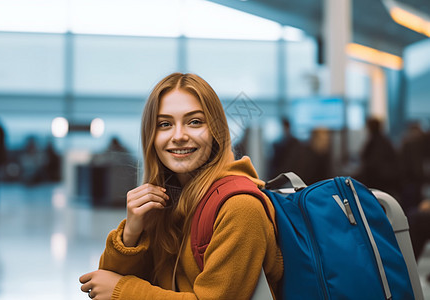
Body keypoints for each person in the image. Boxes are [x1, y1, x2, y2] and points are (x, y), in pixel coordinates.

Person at [79, 73, 283, 299]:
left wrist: (123, 291)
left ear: (216, 132)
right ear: (152, 137)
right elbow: (102, 284)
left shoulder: (240, 207)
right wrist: (131, 233)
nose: (178, 136)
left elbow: (113, 287)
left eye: (194, 122)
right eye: (165, 124)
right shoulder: (166, 199)